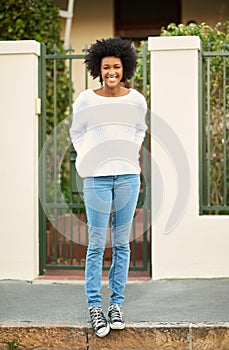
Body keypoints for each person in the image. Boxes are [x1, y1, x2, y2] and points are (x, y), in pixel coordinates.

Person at [70, 37, 148, 337]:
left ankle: (115, 305)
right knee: (96, 244)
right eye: (106, 67)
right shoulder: (86, 99)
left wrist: (129, 151)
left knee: (120, 245)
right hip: (96, 179)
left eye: (116, 66)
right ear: (98, 70)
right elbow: (77, 131)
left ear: (124, 68)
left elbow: (139, 129)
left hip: (128, 176)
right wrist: (87, 158)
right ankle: (94, 307)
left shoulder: (136, 99)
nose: (111, 72)